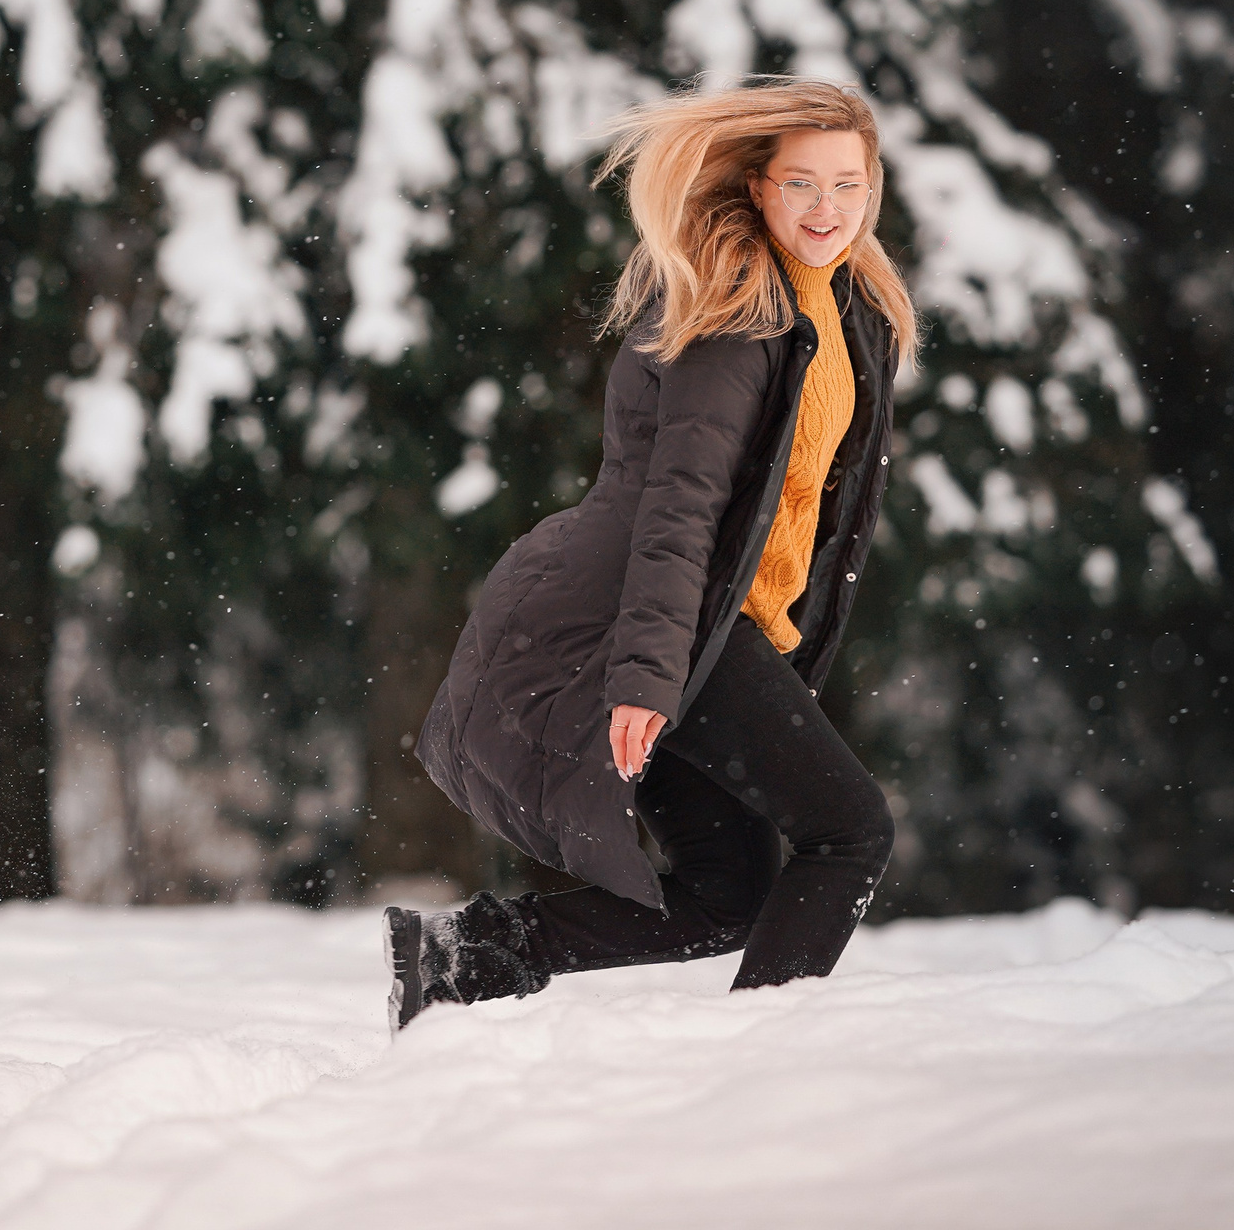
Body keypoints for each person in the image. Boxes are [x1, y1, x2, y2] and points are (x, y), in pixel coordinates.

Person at [388, 76, 915, 1029]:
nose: (826, 209)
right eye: (802, 184)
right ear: (758, 188)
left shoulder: (840, 311)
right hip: (649, 620)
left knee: (730, 894)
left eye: (848, 184)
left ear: (874, 187)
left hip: (706, 626)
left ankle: (460, 957)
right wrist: (647, 675)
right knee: (850, 833)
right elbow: (680, 510)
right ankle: (762, 1064)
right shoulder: (739, 318)